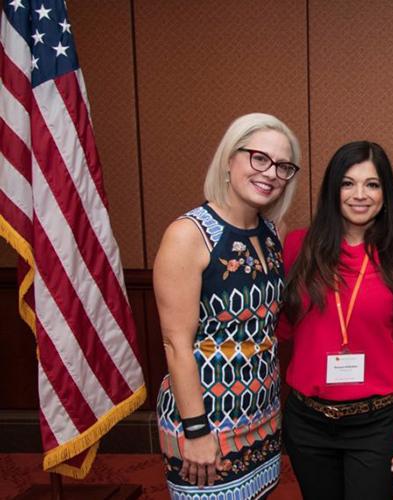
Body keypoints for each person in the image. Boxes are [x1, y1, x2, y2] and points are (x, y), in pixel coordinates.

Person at [154, 113, 302, 499]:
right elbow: (175, 344)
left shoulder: (274, 232)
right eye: (259, 158)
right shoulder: (188, 234)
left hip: (262, 415)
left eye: (282, 166)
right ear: (229, 159)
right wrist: (197, 431)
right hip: (207, 419)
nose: (270, 173)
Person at [279, 141, 393, 499]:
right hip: (308, 422)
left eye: (372, 184)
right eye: (348, 183)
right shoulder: (300, 246)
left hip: (377, 424)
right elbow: (282, 329)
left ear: (385, 193)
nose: (360, 194)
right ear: (333, 190)